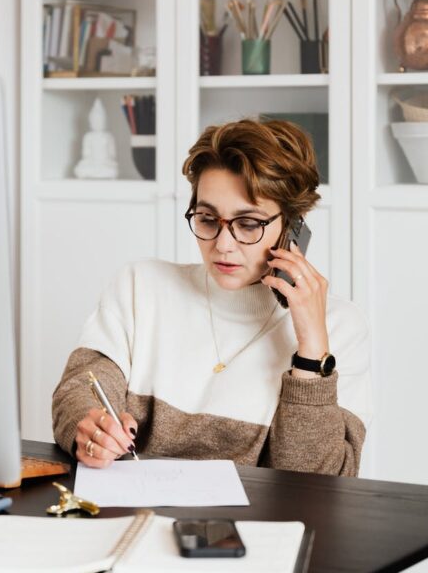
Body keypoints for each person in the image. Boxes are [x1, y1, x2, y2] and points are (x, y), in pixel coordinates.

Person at [52, 119, 371, 476]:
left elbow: (317, 483)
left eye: (248, 224)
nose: (222, 245)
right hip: (133, 516)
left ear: (294, 225)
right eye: (207, 219)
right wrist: (90, 426)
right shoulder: (140, 286)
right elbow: (79, 391)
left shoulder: (339, 327)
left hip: (258, 529)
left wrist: (312, 353)